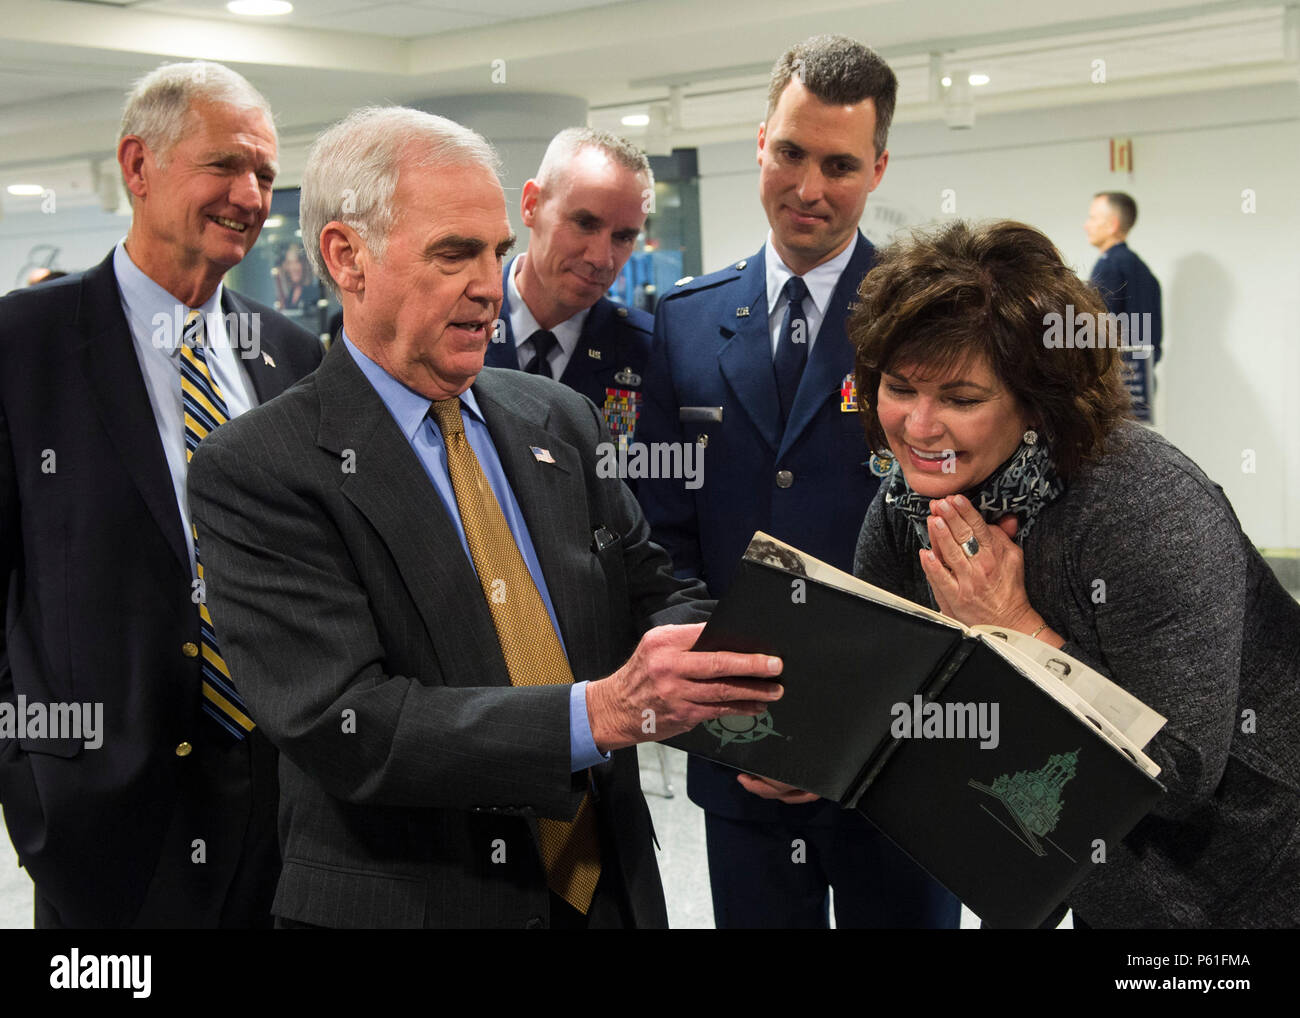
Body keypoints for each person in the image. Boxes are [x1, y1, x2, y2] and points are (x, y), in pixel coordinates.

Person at [185, 105, 786, 930]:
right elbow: (349, 724)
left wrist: (758, 696)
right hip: (414, 904)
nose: (488, 284)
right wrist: (601, 713)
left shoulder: (560, 419)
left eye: (498, 250)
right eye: (453, 253)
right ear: (346, 258)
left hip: (606, 891)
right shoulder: (257, 470)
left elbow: (653, 594)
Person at [850, 218, 1300, 928]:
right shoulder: (907, 501)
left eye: (962, 399)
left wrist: (1016, 630)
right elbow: (882, 679)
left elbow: (1178, 771)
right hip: (1096, 869)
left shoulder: (1142, 501)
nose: (918, 426)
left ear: (1039, 402)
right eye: (899, 387)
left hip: (1246, 880)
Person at [638, 34, 959, 929]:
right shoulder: (688, 323)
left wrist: (830, 729)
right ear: (759, 143)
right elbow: (661, 541)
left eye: (839, 164)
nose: (808, 187)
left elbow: (957, 539)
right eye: (790, 153)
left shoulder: (927, 319)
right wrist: (742, 714)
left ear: (879, 168)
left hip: (895, 763)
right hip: (737, 751)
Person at [0, 60, 324, 928]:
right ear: (138, 167)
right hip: (101, 813)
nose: (251, 195)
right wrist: (35, 770)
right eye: (225, 165)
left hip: (276, 802)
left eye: (264, 172)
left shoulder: (291, 358)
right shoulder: (22, 345)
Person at [486, 128, 654, 447]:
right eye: (585, 224)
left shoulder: (649, 353)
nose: (601, 258)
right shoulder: (460, 327)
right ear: (531, 205)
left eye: (624, 237)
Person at [1085, 191, 1162, 421]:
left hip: (1112, 386)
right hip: (1140, 382)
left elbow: (1095, 333)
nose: (1086, 225)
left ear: (1112, 225)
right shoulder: (1144, 271)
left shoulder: (1108, 267)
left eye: (1092, 218)